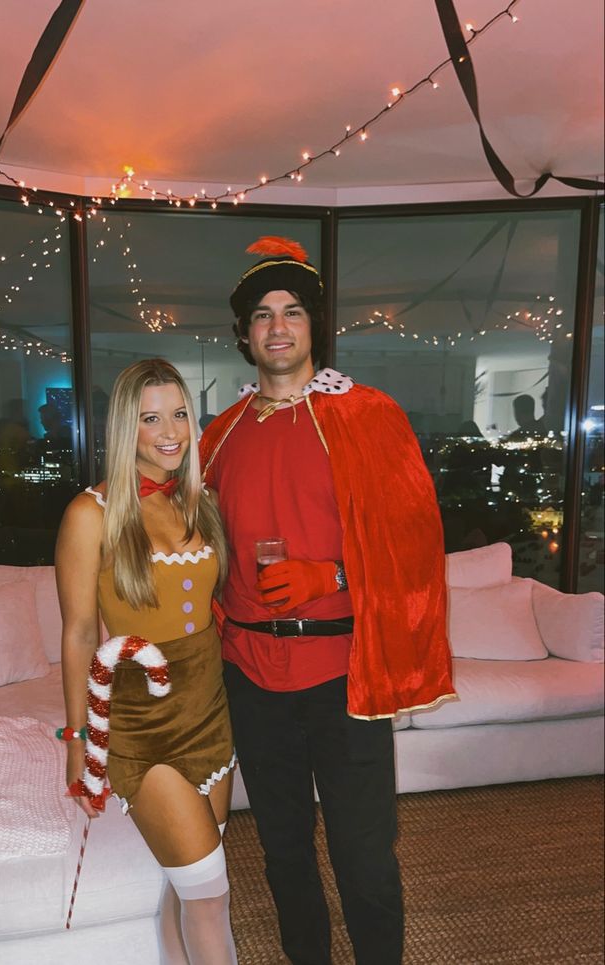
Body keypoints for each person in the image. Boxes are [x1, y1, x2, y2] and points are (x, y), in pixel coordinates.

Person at [200, 237, 455, 965]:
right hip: (250, 672)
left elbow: (412, 541)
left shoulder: (367, 416)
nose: (277, 327)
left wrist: (331, 576)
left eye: (291, 312)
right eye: (260, 315)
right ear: (243, 334)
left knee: (364, 855)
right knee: (282, 851)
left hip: (346, 677)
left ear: (314, 324)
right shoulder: (219, 435)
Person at [55, 358, 238, 964]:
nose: (170, 431)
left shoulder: (199, 500)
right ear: (124, 428)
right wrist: (80, 744)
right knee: (211, 895)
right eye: (150, 418)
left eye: (180, 414)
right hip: (143, 724)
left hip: (211, 715)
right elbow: (80, 632)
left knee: (182, 886)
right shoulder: (92, 513)